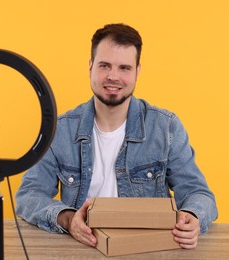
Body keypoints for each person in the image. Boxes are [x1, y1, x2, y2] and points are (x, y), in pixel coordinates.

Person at [16, 23, 218, 249]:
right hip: (82, 249)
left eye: (124, 68)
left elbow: (199, 194)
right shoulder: (60, 130)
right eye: (104, 65)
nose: (113, 76)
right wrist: (68, 219)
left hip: (146, 249)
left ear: (137, 71)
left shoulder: (166, 127)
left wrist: (193, 217)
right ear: (90, 66)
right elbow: (29, 196)